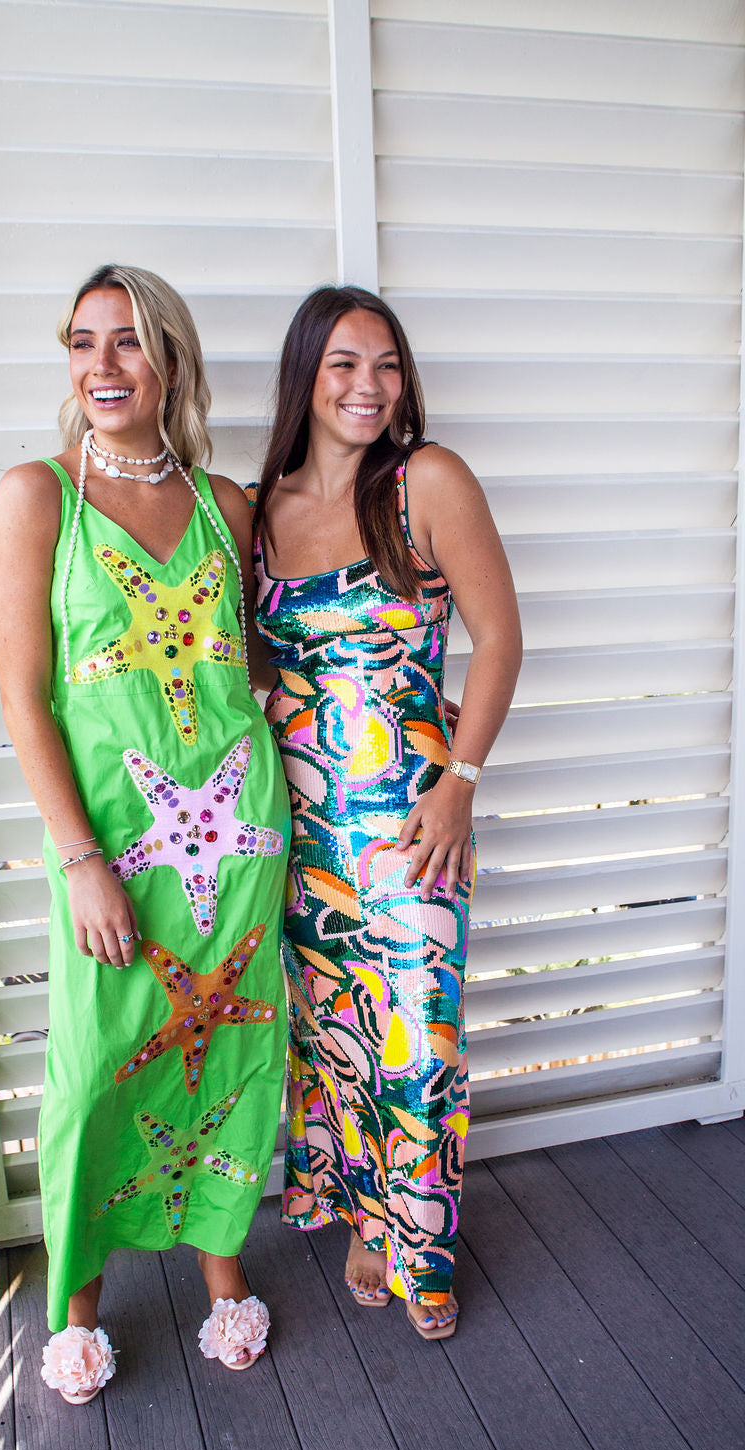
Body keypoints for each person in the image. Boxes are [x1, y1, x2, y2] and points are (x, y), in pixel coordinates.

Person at [0, 265, 290, 1402]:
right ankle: (76, 1301)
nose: (102, 366)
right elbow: (23, 696)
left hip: (238, 842)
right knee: (94, 1068)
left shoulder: (226, 505)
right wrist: (78, 861)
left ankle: (224, 1268)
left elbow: (247, 670)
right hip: (110, 847)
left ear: (171, 361)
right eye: (83, 342)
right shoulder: (38, 497)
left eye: (127, 342)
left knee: (230, 1050)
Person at [251, 286, 521, 1338]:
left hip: (415, 821)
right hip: (302, 826)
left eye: (387, 365)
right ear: (305, 377)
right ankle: (371, 1222)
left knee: (416, 1043)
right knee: (336, 1033)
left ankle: (425, 1251)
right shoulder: (258, 510)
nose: (369, 387)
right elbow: (255, 663)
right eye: (344, 365)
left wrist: (461, 782)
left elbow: (499, 640)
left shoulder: (425, 481)